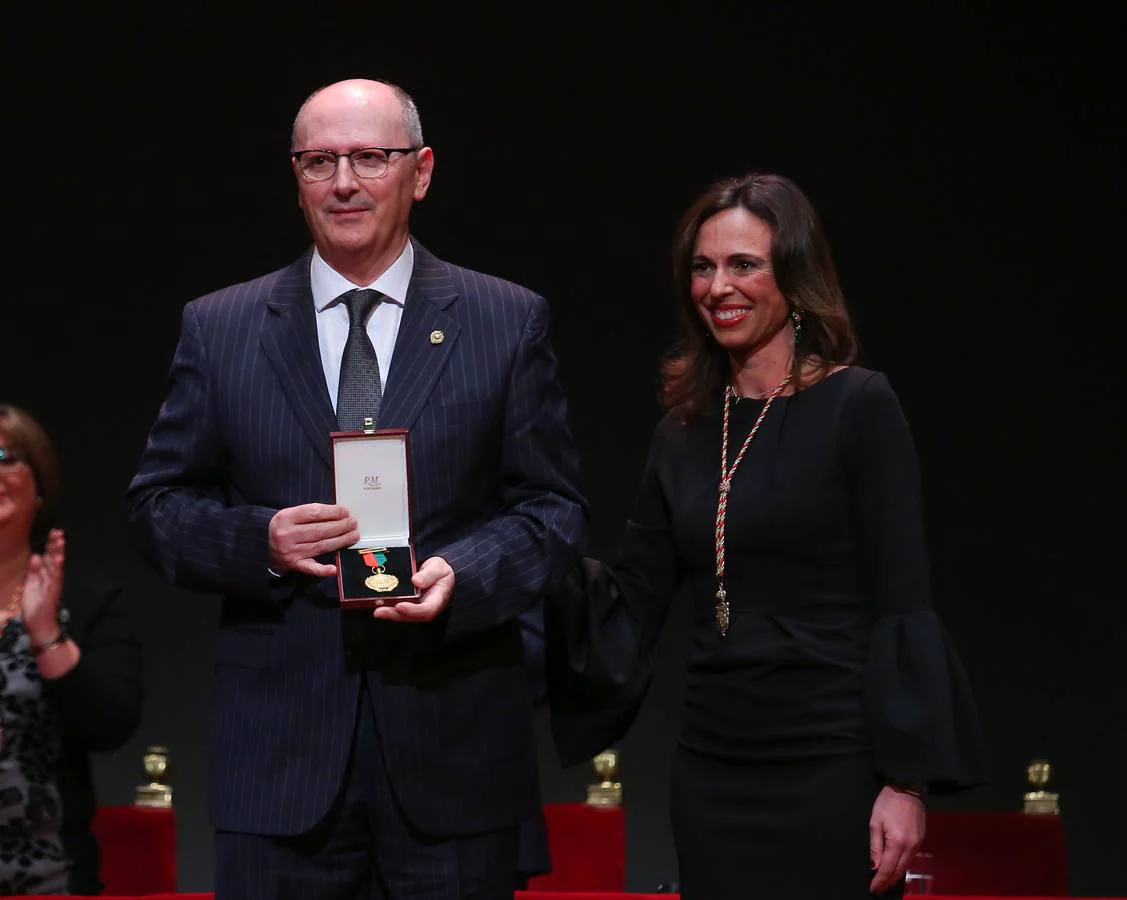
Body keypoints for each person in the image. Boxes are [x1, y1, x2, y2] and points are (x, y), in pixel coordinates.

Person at [126, 78, 587, 900]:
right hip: (280, 763)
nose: (343, 182)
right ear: (295, 177)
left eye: (370, 157)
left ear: (421, 171)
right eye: (318, 161)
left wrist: (465, 574)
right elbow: (156, 509)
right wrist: (258, 541)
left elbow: (552, 511)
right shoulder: (222, 326)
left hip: (454, 751)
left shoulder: (505, 319)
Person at [547, 173, 985, 900]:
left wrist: (904, 783)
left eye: (743, 264)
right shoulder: (683, 432)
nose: (719, 286)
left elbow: (900, 599)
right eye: (703, 266)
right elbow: (630, 603)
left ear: (794, 274)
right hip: (711, 768)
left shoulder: (858, 407)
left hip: (831, 766)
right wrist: (522, 559)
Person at [0, 404, 143, 895]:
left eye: (5, 456)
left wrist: (45, 636)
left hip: (48, 879)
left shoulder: (85, 600)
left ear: (40, 481)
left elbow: (110, 725)